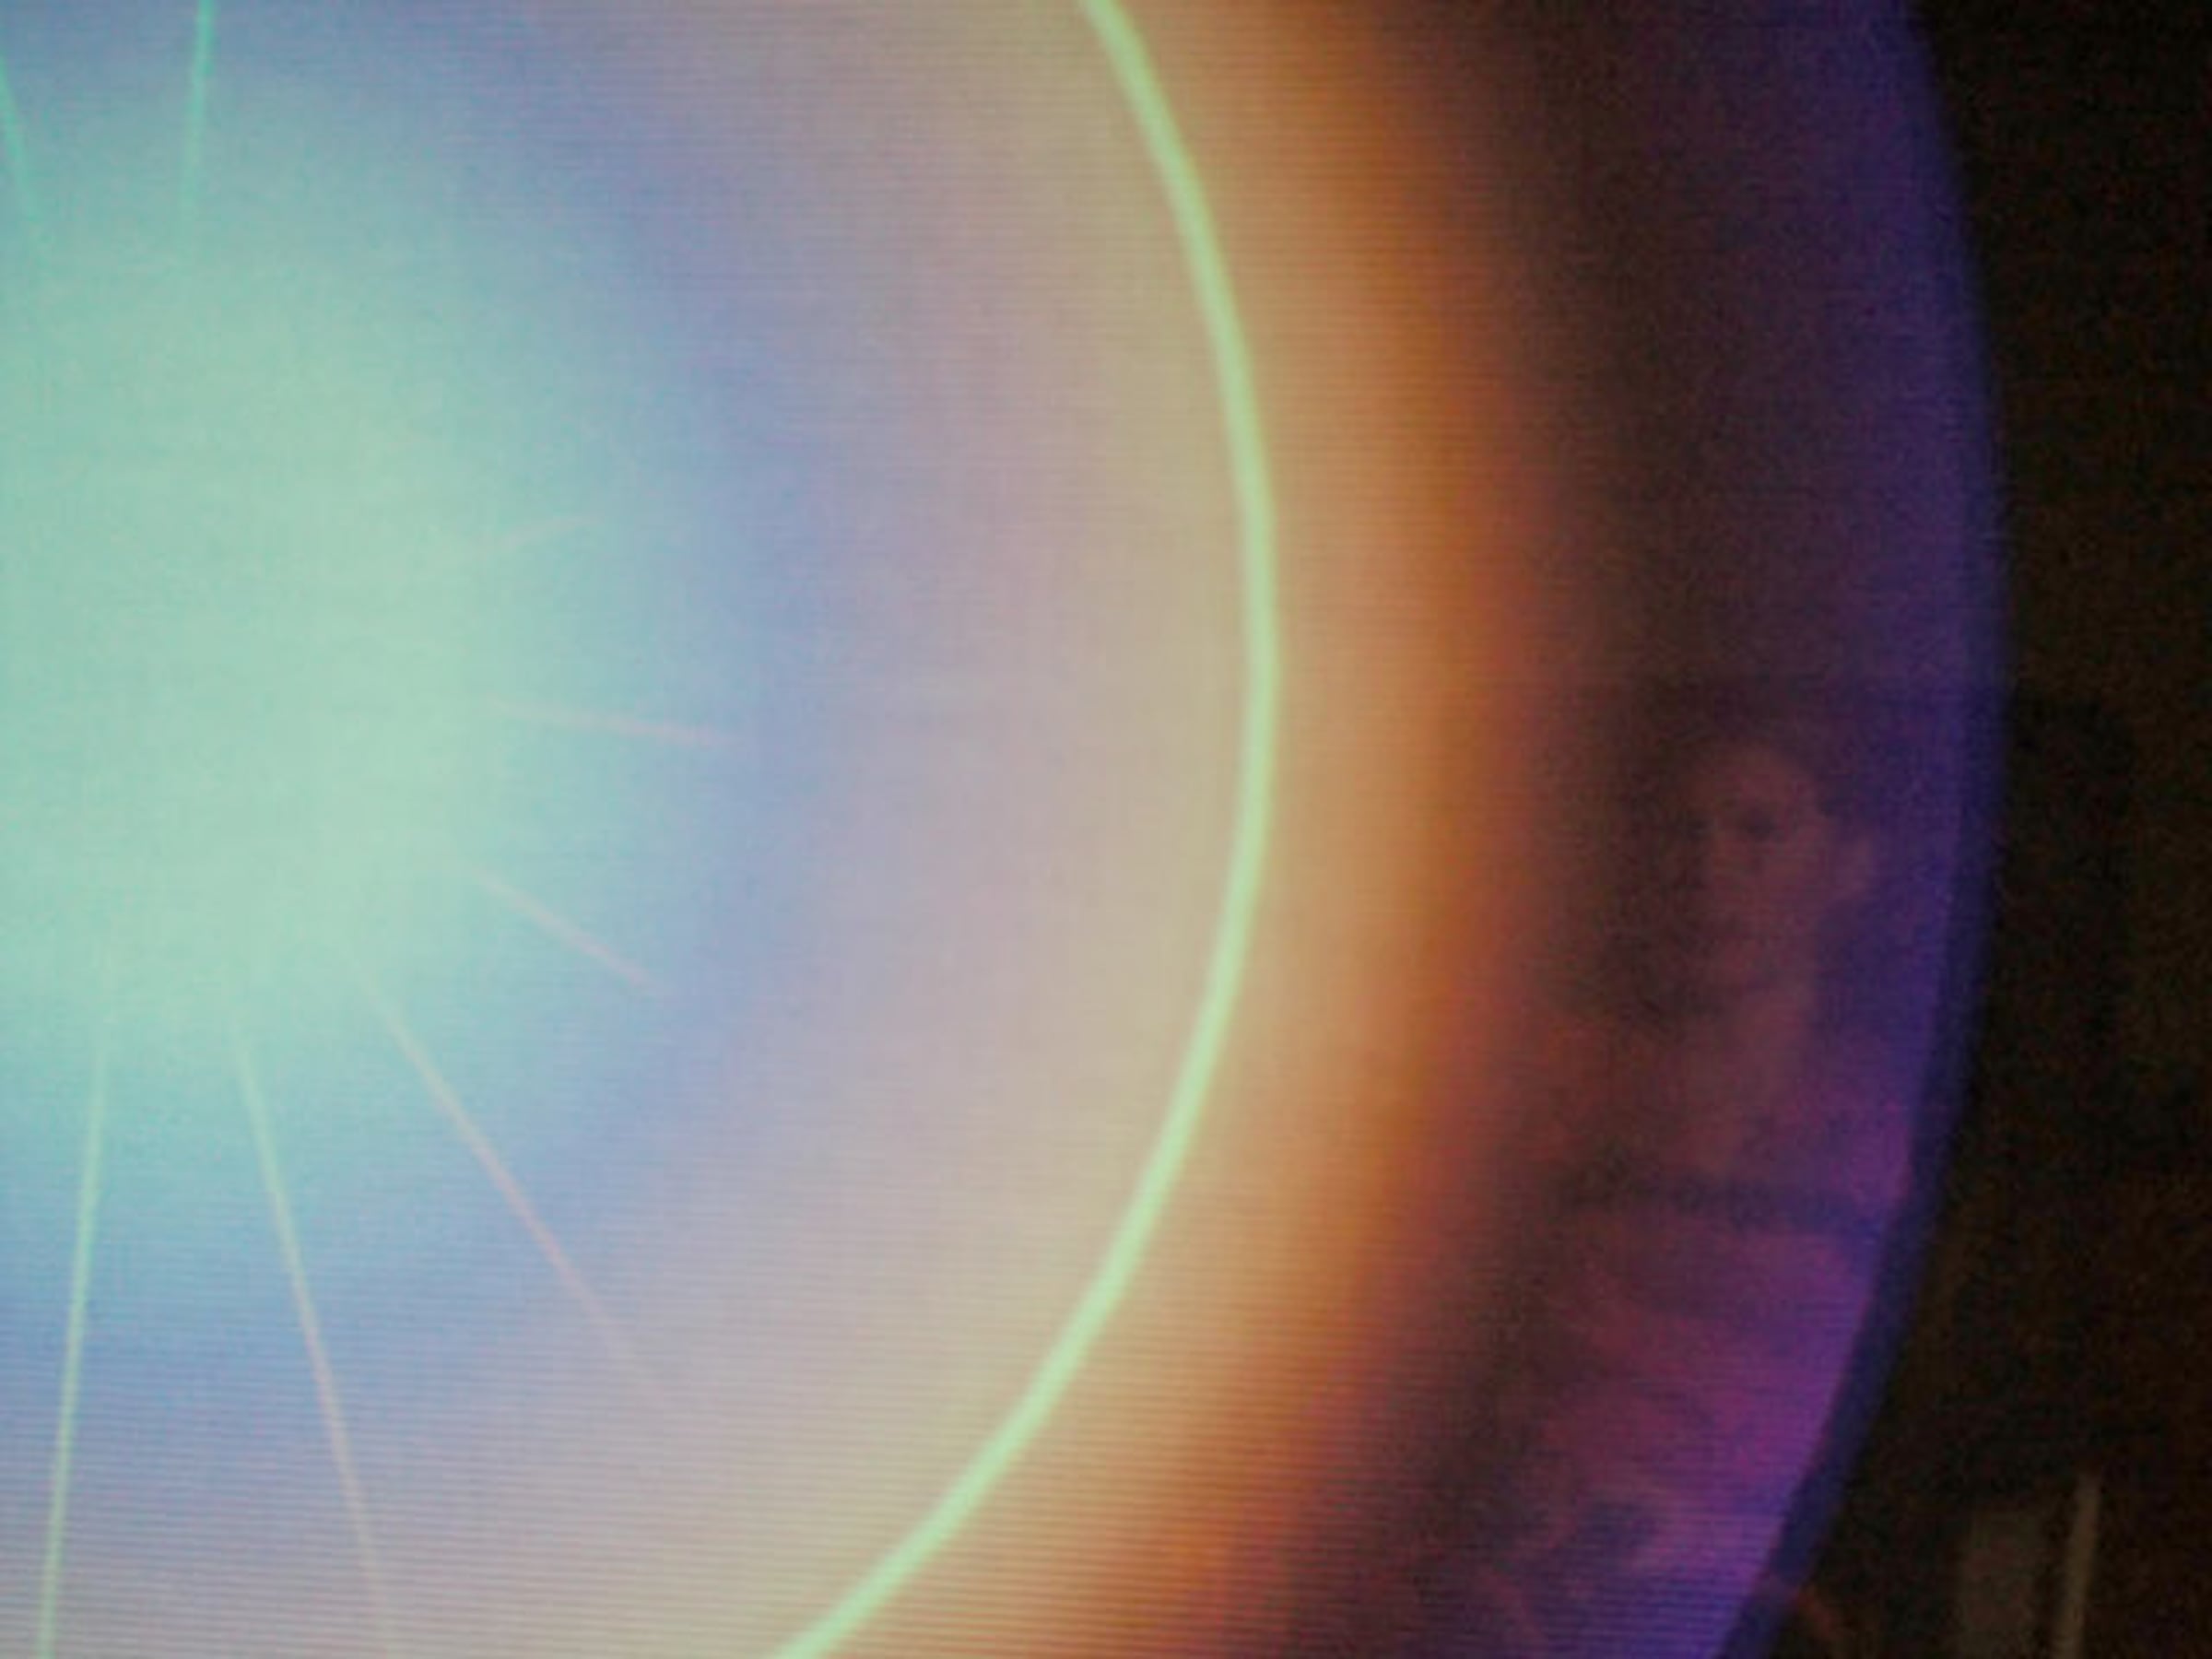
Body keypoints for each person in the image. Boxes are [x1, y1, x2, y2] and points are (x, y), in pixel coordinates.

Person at [1405, 686, 1912, 1657]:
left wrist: (1711, 1534)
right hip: (1517, 1552)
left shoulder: (1878, 1125)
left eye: (1757, 832)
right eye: (1683, 832)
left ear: (1851, 865)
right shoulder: (1559, 1077)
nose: (1710, 869)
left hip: (1761, 1565)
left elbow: (1902, 1423)